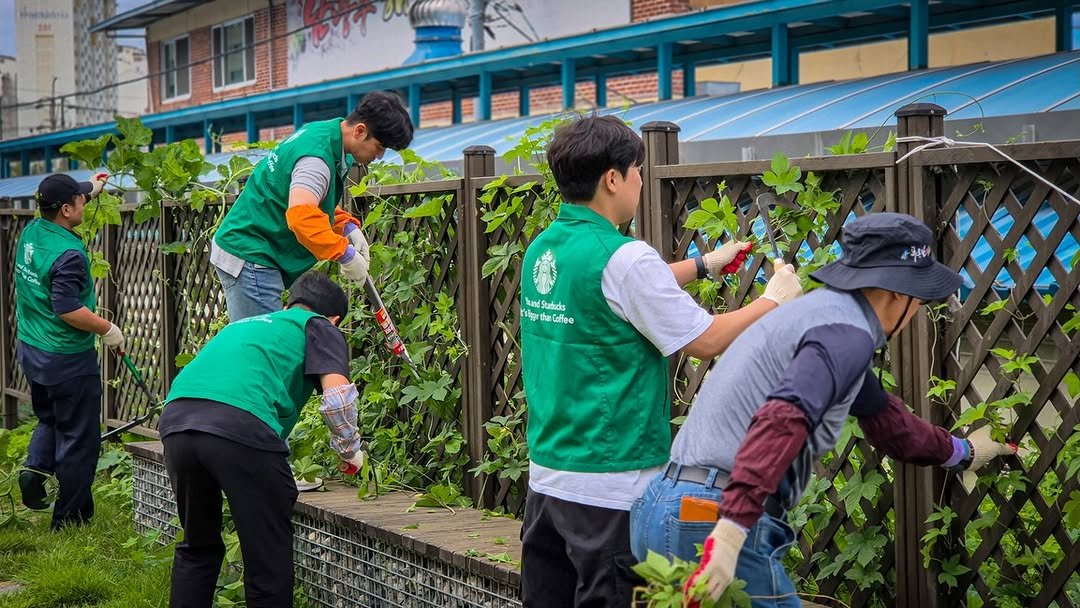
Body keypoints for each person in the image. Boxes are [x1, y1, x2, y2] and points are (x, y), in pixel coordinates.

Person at [629, 212, 1019, 607]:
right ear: (896, 294)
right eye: (918, 299)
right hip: (712, 518)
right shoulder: (843, 337)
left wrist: (965, 452)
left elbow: (890, 424)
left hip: (663, 506)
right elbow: (784, 418)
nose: (916, 310)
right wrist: (730, 534)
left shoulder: (822, 323)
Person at [518, 115, 803, 608]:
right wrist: (775, 299)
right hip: (613, 486)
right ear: (612, 178)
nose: (640, 181)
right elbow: (707, 340)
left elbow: (615, 292)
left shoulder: (544, 249)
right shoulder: (625, 256)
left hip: (547, 481)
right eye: (637, 171)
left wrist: (703, 264)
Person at [157, 272, 365, 607]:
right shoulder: (318, 326)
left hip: (178, 421)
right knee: (267, 558)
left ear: (289, 302)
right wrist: (350, 450)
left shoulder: (246, 325)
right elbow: (339, 397)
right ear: (334, 319)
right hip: (240, 424)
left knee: (198, 545)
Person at [211, 91, 414, 322]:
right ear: (359, 131)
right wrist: (344, 253)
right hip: (251, 252)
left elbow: (304, 201)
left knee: (262, 343)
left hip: (257, 245)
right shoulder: (316, 160)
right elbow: (300, 216)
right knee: (261, 348)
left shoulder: (325, 134)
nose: (379, 156)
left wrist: (346, 226)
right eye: (379, 147)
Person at [14, 172, 121, 529]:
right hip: (67, 358)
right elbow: (67, 309)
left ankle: (33, 473)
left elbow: (76, 196)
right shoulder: (69, 254)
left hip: (32, 349)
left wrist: (93, 185)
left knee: (49, 418)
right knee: (79, 438)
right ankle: (70, 520)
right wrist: (108, 329)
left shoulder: (33, 231)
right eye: (78, 200)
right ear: (65, 209)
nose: (83, 203)